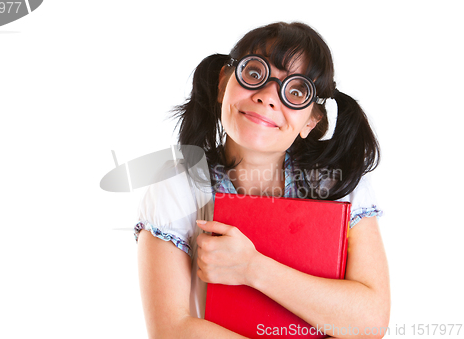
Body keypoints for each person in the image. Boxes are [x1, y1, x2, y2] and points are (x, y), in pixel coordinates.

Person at [135, 22, 390, 338]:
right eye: (254, 74)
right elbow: (172, 330)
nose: (268, 97)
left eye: (295, 91)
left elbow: (369, 323)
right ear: (223, 83)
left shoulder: (340, 188)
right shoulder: (177, 188)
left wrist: (252, 268)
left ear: (311, 120)